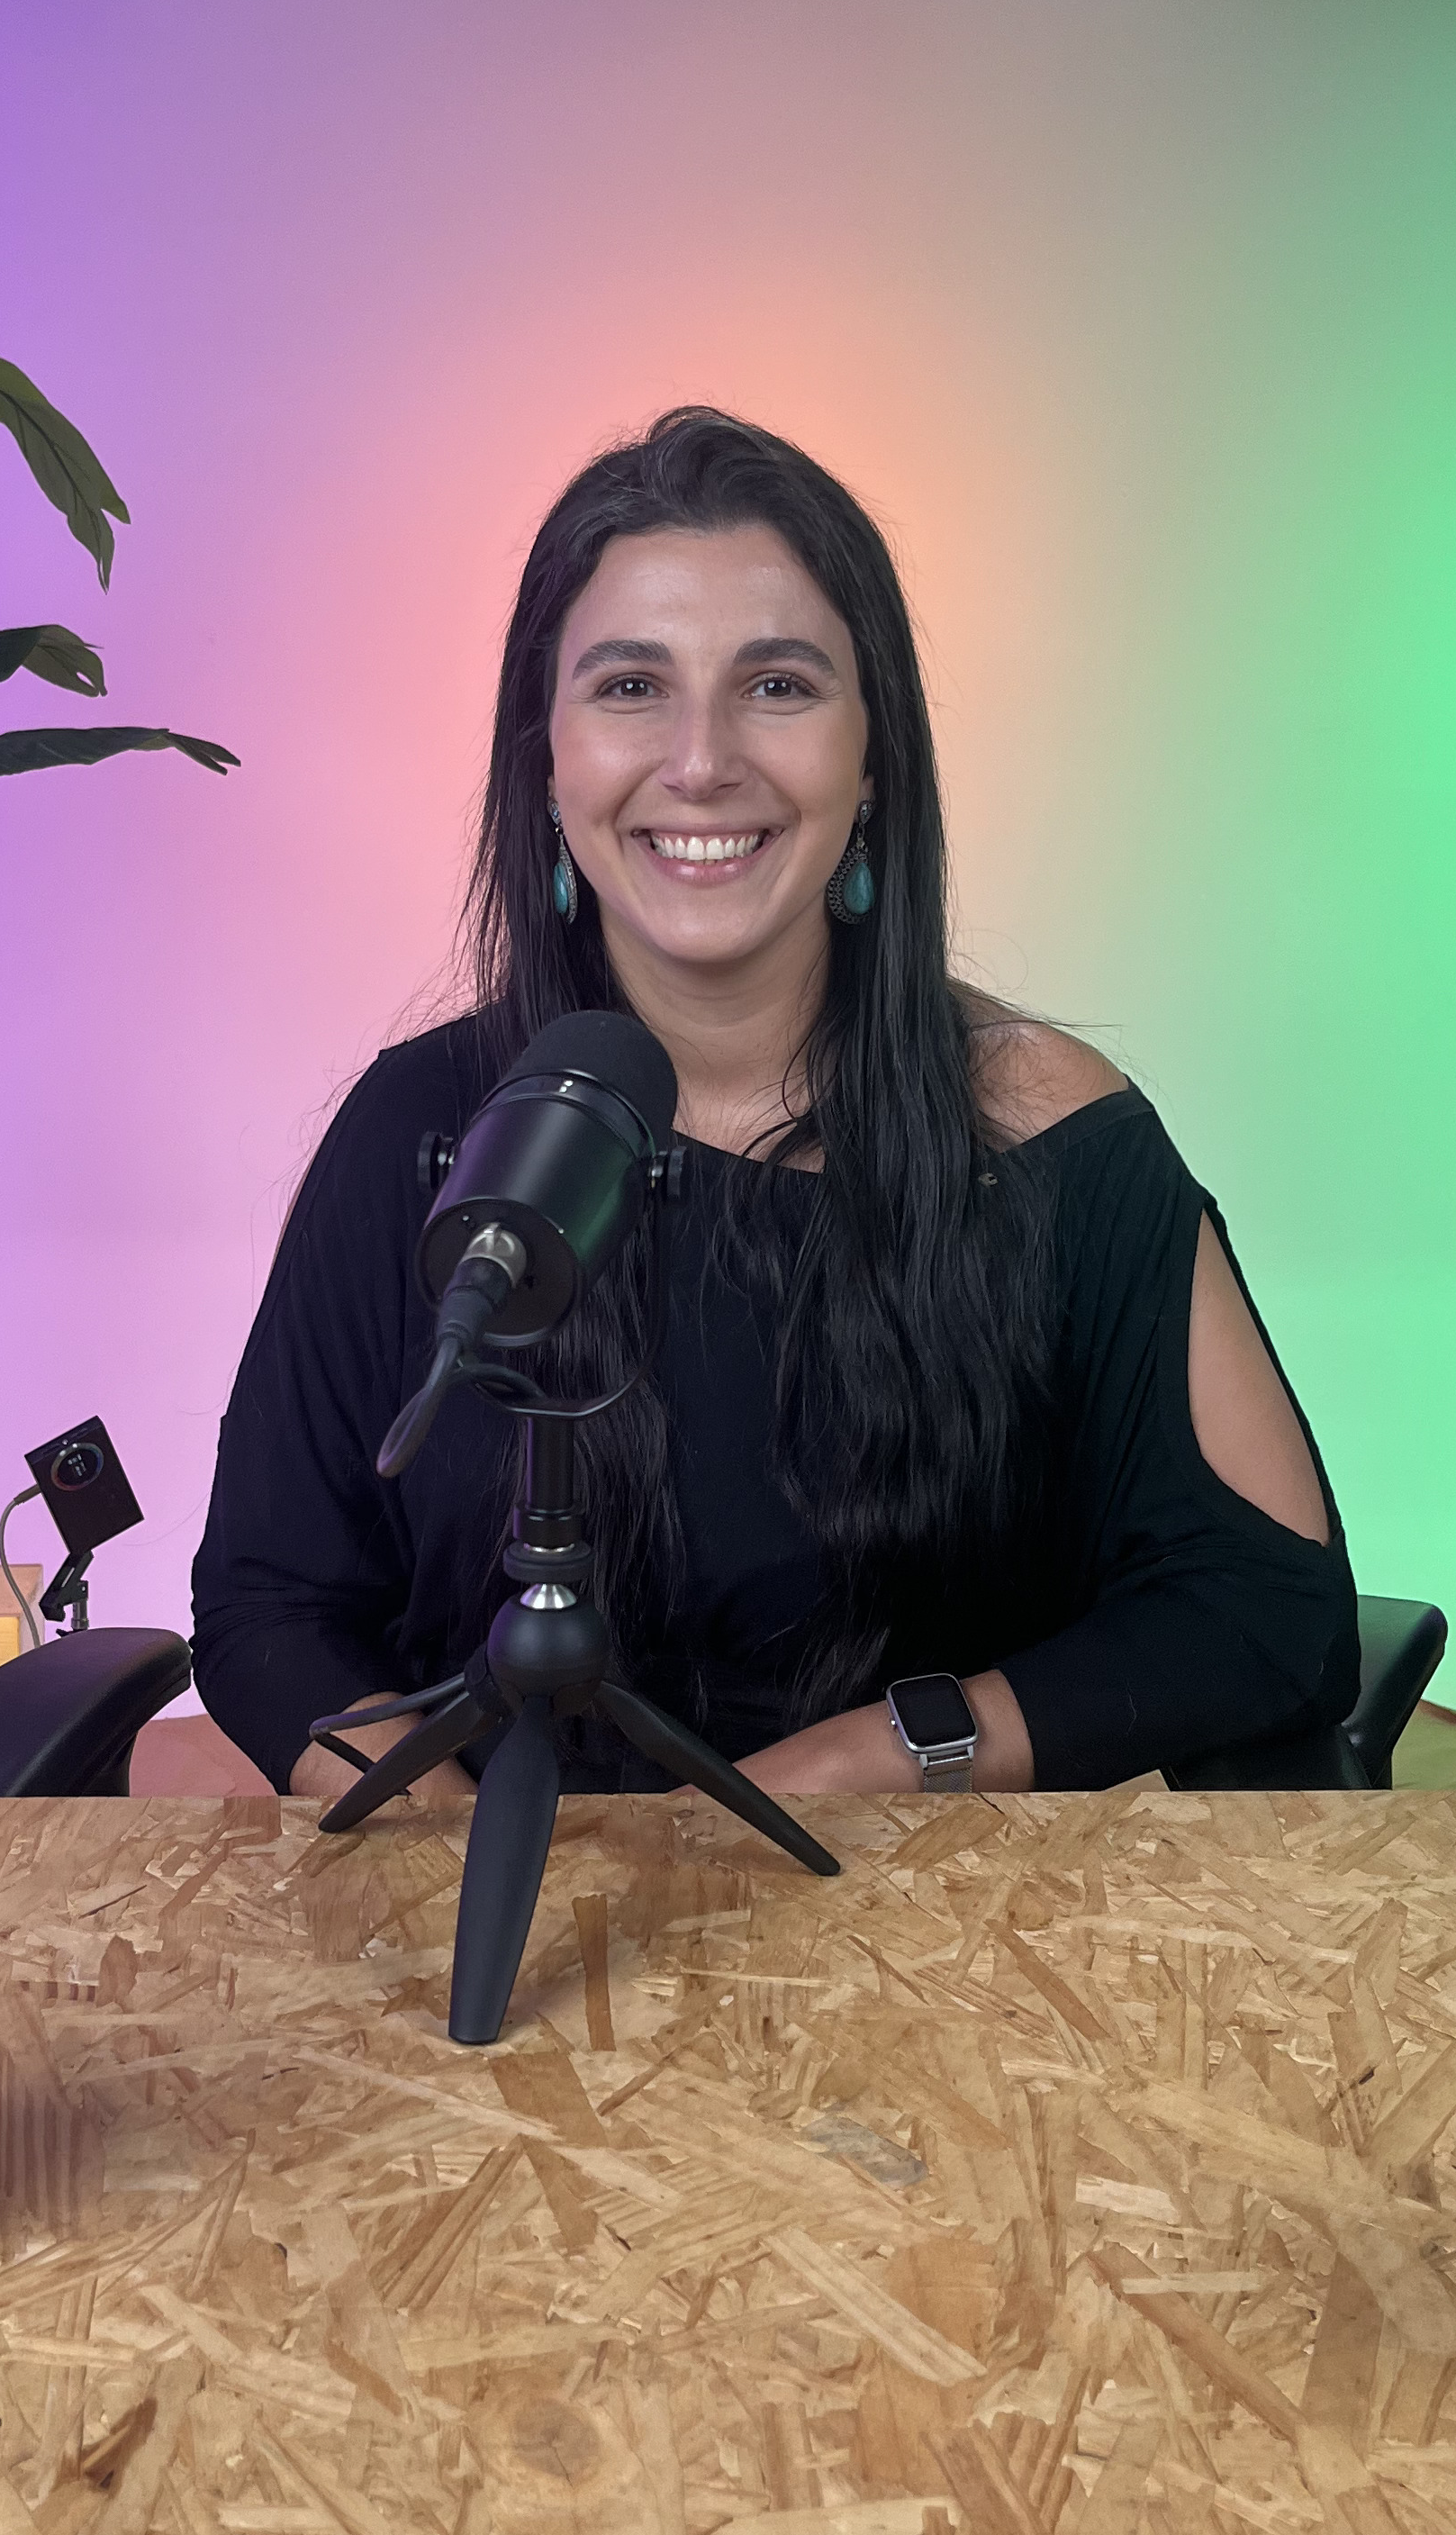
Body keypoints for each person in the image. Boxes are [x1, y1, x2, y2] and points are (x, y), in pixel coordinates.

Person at [194, 405, 1359, 1806]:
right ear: (548, 760)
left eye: (779, 685)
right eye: (632, 685)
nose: (701, 761)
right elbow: (268, 1604)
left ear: (873, 766)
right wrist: (435, 1835)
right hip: (498, 1908)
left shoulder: (1046, 1137)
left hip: (916, 1910)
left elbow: (1266, 1606)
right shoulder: (419, 1130)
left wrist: (877, 1758)